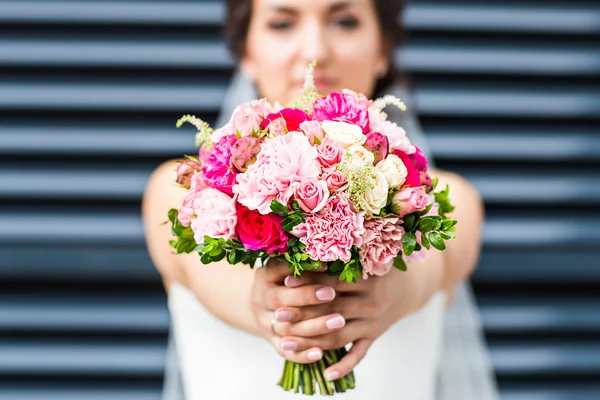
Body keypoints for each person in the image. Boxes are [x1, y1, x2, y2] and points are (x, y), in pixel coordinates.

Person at [142, 0, 499, 398]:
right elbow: (212, 276)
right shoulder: (181, 193)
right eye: (282, 24)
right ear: (246, 51)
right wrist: (267, 306)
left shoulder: (446, 199)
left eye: (344, 21)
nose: (314, 51)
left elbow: (426, 270)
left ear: (383, 49)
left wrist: (388, 294)